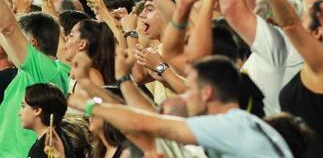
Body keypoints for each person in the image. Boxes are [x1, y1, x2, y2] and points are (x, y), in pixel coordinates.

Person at [69, 56, 293, 157]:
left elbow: (144, 122)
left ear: (207, 93)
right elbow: (148, 121)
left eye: (191, 88)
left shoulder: (230, 125)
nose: (185, 95)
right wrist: (116, 82)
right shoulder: (230, 126)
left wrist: (82, 104)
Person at [0, 8, 70, 157]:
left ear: (32, 44)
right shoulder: (47, 72)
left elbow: (8, 29)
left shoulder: (45, 72)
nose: (8, 46)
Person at [21, 83, 75, 158]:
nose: (19, 113)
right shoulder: (60, 136)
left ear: (37, 110)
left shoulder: (46, 148)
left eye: (23, 106)